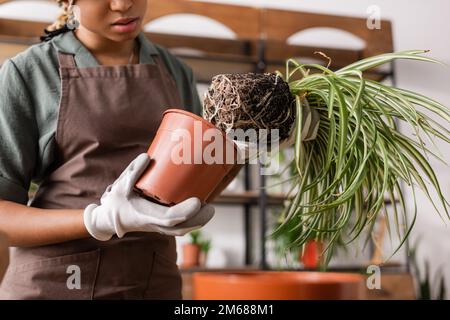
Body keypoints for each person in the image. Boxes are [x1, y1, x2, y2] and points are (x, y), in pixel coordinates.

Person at [0, 0, 215, 299]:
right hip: (56, 285)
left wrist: (246, 147)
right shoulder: (29, 74)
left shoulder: (176, 72)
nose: (123, 4)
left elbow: (193, 174)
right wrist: (99, 219)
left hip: (153, 284)